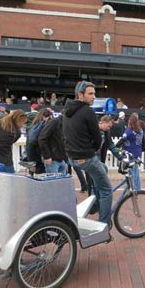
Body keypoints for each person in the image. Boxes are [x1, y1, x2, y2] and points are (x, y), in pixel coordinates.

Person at [62, 81, 113, 225]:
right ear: (80, 95)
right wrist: (93, 148)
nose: (94, 97)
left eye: (94, 93)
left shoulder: (67, 111)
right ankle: (104, 225)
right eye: (90, 93)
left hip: (72, 158)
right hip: (86, 157)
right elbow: (97, 139)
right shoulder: (87, 111)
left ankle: (94, 205)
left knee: (103, 169)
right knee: (106, 190)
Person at [116, 113, 145, 190]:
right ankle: (136, 187)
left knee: (132, 172)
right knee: (135, 172)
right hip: (137, 153)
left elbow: (122, 140)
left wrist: (115, 147)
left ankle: (135, 188)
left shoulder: (129, 131)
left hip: (130, 154)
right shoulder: (140, 130)